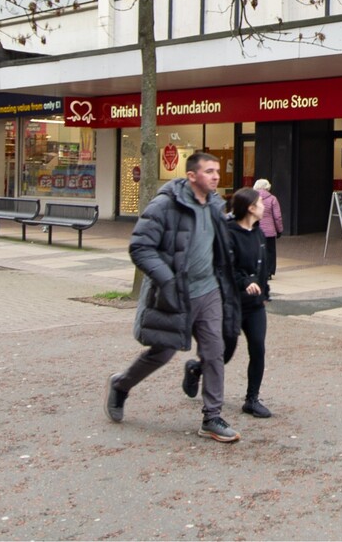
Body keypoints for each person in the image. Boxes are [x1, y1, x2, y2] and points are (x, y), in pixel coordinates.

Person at [106, 151, 242, 444]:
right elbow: (140, 247)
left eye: (217, 170)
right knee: (162, 353)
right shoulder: (165, 204)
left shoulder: (216, 205)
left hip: (209, 291)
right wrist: (167, 279)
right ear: (192, 175)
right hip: (175, 294)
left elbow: (222, 245)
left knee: (214, 351)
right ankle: (121, 384)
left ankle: (212, 417)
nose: (216, 176)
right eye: (209, 171)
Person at [223, 187, 273, 419]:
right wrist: (245, 281)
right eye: (260, 203)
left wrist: (264, 292)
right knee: (224, 352)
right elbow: (227, 268)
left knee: (258, 348)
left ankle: (252, 399)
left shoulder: (258, 233)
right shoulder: (229, 234)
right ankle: (196, 370)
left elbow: (262, 267)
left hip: (255, 305)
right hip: (233, 303)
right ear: (251, 208)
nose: (264, 206)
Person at [252, 178, 283, 278]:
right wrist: (279, 230)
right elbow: (277, 217)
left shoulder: (252, 198)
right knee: (270, 251)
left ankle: (257, 270)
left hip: (255, 230)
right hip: (269, 231)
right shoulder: (272, 199)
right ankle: (269, 272)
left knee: (257, 250)